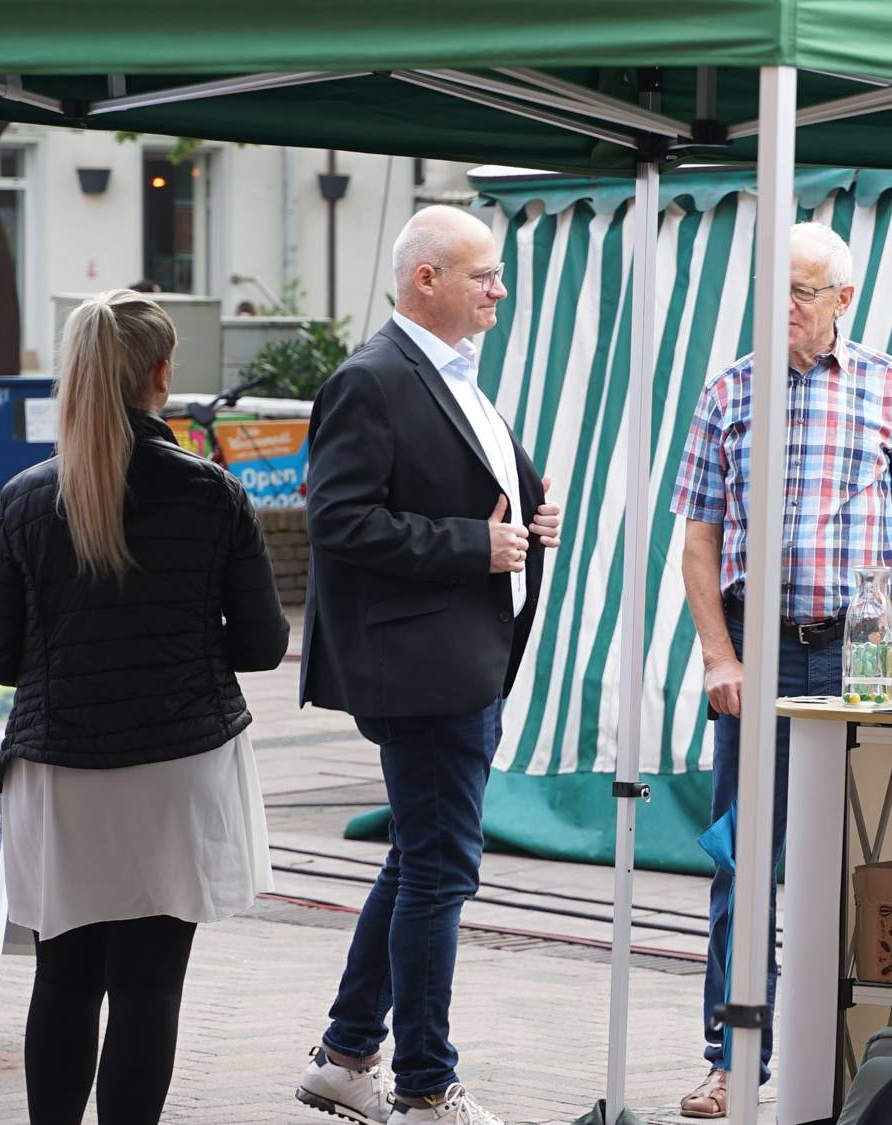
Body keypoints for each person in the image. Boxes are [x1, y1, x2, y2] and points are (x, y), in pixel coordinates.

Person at [0, 290, 288, 1125]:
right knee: (150, 990)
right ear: (161, 374)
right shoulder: (212, 493)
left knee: (63, 981)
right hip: (178, 769)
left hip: (60, 772)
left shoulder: (27, 498)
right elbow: (260, 645)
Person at [671, 221, 892, 1118]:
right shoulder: (729, 390)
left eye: (799, 291)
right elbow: (699, 541)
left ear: (843, 300)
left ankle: (852, 1049)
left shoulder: (889, 384)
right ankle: (734, 1054)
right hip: (758, 640)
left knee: (862, 852)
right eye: (771, 288)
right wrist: (718, 651)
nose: (781, 306)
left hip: (854, 644)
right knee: (741, 851)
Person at [294, 205, 564, 1125]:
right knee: (442, 868)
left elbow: (485, 492)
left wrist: (528, 520)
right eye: (483, 274)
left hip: (463, 654)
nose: (499, 289)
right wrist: (472, 546)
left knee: (417, 858)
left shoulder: (452, 374)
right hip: (423, 665)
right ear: (427, 281)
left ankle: (344, 1053)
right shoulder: (372, 379)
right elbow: (335, 519)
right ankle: (422, 1085)